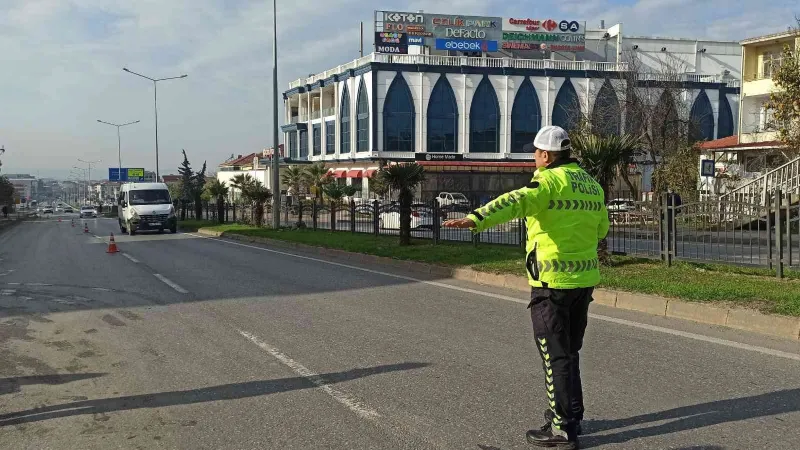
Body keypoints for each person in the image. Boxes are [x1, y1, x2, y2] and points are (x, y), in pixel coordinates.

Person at [443, 126, 609, 449]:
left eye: (535, 153)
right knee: (570, 352)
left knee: (554, 356)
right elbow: (601, 228)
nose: (534, 159)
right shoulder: (591, 185)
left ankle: (562, 428)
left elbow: (515, 202)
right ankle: (573, 414)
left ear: (546, 156)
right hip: (584, 282)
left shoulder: (546, 182)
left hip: (551, 285)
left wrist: (477, 218)